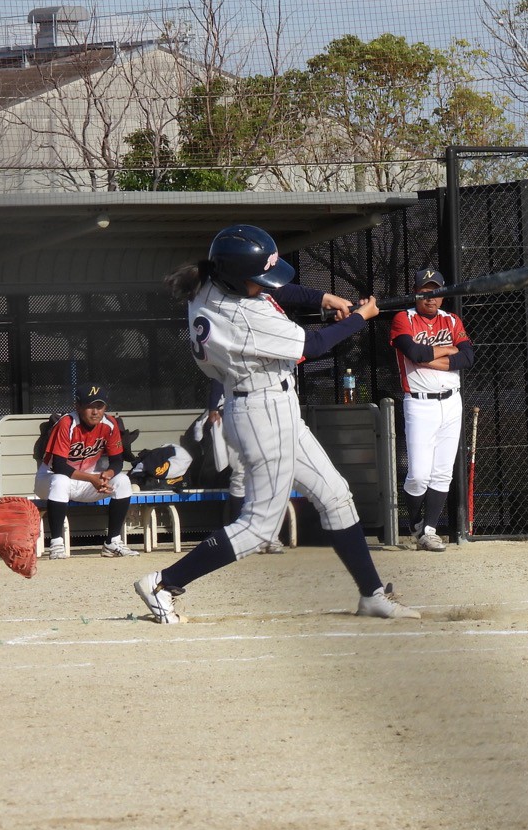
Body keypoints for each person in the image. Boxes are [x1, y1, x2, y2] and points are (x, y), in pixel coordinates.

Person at [133, 223, 417, 623]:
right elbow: (314, 345)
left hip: (267, 404)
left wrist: (324, 298)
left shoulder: (209, 284)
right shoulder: (241, 316)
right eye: (257, 278)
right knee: (260, 527)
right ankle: (163, 583)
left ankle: (372, 595)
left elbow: (277, 290)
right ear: (237, 277)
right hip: (262, 412)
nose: (265, 284)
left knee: (335, 495)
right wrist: (361, 317)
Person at [389, 266, 475, 551]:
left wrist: (433, 357)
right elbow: (415, 354)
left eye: (436, 292)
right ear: (416, 293)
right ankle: (414, 523)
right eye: (426, 292)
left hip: (452, 400)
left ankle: (429, 530)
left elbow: (467, 357)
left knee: (442, 472)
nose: (431, 298)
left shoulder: (451, 320)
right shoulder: (404, 318)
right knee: (418, 474)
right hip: (419, 402)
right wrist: (447, 350)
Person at [36, 384, 140, 559]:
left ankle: (112, 542)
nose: (95, 412)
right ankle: (56, 544)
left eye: (100, 406)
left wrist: (106, 476)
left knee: (122, 480)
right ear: (78, 406)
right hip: (49, 480)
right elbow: (59, 466)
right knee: (60, 480)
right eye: (90, 406)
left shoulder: (110, 424)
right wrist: (92, 479)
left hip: (86, 481)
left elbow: (117, 461)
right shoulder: (67, 423)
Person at [204, 379, 283, 553]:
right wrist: (213, 408)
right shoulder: (230, 356)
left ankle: (269, 535)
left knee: (270, 472)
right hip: (235, 412)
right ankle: (239, 536)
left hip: (266, 411)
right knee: (241, 473)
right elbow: (219, 377)